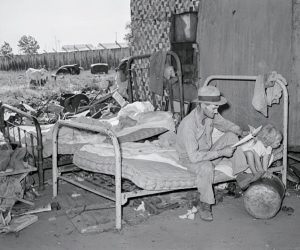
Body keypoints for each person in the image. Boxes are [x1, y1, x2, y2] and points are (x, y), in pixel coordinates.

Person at [176, 85, 248, 221]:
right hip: (190, 159)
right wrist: (221, 152)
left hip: (207, 153)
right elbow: (194, 156)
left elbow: (225, 124)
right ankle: (205, 204)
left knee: (232, 136)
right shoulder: (188, 125)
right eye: (214, 108)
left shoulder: (209, 114)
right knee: (206, 167)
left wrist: (240, 131)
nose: (216, 112)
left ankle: (242, 176)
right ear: (203, 105)